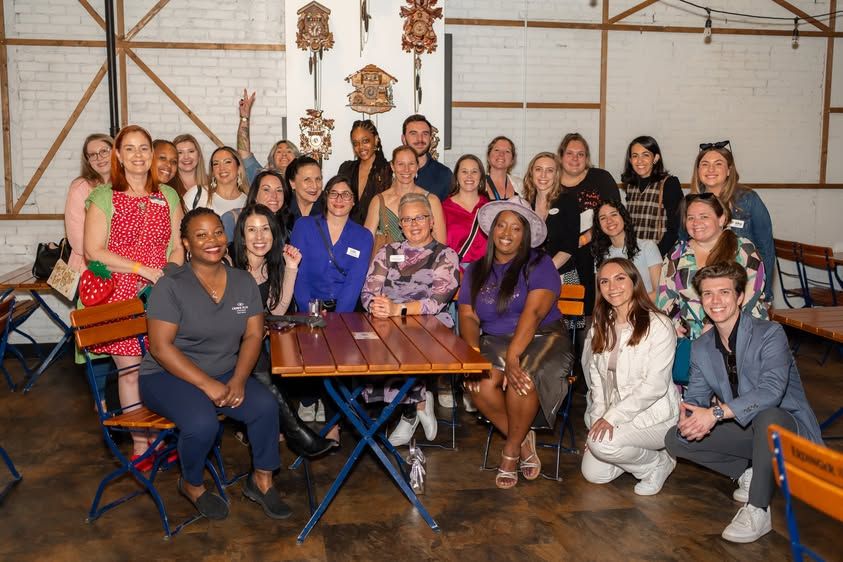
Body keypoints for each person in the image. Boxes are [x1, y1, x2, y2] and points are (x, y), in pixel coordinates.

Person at [139, 207, 290, 521]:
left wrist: (238, 379)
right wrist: (208, 385)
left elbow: (252, 336)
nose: (212, 240)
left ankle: (261, 481)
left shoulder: (243, 281)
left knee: (265, 407)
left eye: (218, 232)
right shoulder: (171, 286)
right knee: (203, 422)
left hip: (223, 370)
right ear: (186, 243)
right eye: (201, 235)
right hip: (167, 375)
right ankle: (191, 483)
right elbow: (160, 348)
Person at [664, 262, 822, 543]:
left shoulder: (770, 333)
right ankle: (753, 471)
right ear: (701, 300)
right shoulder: (701, 347)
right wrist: (688, 416)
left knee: (768, 416)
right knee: (676, 439)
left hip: (788, 428)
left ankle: (758, 509)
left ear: (739, 297)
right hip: (747, 428)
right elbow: (696, 397)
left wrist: (714, 413)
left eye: (724, 292)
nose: (716, 301)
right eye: (708, 294)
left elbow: (772, 391)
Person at [84, 124, 184, 464]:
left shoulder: (168, 196)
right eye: (130, 149)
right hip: (121, 295)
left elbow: (178, 249)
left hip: (161, 293)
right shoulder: (104, 196)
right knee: (130, 370)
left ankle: (162, 436)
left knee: (161, 368)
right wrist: (142, 270)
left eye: (144, 148)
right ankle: (143, 445)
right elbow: (93, 251)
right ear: (118, 155)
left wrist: (168, 275)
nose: (139, 155)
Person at [459, 197, 574, 489]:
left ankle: (510, 451)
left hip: (543, 336)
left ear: (525, 236)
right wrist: (472, 354)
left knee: (523, 377)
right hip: (494, 339)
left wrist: (513, 358)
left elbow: (534, 313)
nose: (506, 233)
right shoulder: (474, 270)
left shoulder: (540, 264)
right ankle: (523, 440)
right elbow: (468, 316)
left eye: (515, 228)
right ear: (492, 230)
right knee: (478, 384)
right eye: (501, 225)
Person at [229, 203, 336, 457]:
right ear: (242, 236)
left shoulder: (269, 266)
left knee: (262, 358)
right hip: (224, 346)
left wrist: (291, 267)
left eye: (265, 229)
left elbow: (276, 312)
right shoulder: (230, 265)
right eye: (251, 230)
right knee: (258, 358)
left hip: (251, 347)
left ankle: (294, 433)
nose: (259, 237)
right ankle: (297, 432)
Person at [361, 193, 459, 445]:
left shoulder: (445, 254)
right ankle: (420, 401)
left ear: (432, 221)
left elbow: (438, 300)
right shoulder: (389, 251)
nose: (414, 224)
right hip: (387, 322)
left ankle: (408, 413)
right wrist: (376, 305)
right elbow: (369, 290)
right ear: (400, 225)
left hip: (430, 325)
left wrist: (398, 309)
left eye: (420, 218)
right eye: (407, 219)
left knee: (403, 348)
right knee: (361, 349)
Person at [581, 258, 680, 495]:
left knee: (601, 444)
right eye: (604, 281)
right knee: (594, 474)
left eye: (619, 278)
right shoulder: (600, 325)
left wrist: (611, 420)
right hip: (617, 415)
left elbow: (654, 387)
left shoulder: (659, 325)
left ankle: (657, 465)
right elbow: (597, 385)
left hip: (655, 417)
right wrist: (597, 422)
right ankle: (635, 454)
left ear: (634, 281)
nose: (612, 287)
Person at [291, 176, 373, 439]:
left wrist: (338, 318)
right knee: (309, 355)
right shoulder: (304, 226)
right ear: (325, 197)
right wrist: (309, 311)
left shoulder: (362, 236)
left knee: (336, 360)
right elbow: (299, 273)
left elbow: (355, 280)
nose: (339, 200)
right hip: (307, 305)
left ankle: (332, 422)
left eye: (346, 194)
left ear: (353, 201)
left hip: (345, 309)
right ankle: (306, 400)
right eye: (334, 193)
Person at [656, 194, 766, 340]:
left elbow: (752, 296)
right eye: (690, 218)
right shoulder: (677, 254)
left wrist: (719, 329)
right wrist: (672, 326)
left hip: (742, 335)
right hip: (691, 339)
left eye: (704, 216)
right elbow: (665, 296)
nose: (696, 222)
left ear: (721, 219)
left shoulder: (743, 249)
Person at [689, 141, 774, 302]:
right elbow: (684, 248)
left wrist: (764, 294)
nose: (711, 169)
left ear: (729, 170)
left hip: (744, 290)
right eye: (705, 164)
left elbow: (766, 251)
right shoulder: (690, 203)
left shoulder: (749, 200)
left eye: (718, 164)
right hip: (702, 293)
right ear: (698, 170)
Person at [557, 133, 621, 328]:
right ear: (561, 156)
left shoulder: (600, 178)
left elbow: (615, 215)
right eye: (570, 153)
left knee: (593, 312)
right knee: (563, 311)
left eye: (580, 154)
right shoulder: (551, 181)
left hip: (594, 253)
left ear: (587, 158)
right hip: (561, 257)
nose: (575, 159)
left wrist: (584, 239)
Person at [523, 152, 581, 329]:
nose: (543, 175)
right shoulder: (525, 203)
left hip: (562, 274)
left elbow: (570, 246)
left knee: (564, 332)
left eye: (549, 170)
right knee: (531, 328)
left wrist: (543, 270)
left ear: (556, 175)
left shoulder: (568, 201)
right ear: (531, 173)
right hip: (529, 278)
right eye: (538, 169)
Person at [364, 145, 446, 245]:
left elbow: (441, 244)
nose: (406, 169)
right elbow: (366, 243)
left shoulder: (432, 200)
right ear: (392, 166)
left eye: (411, 164)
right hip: (387, 260)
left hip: (425, 260)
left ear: (417, 166)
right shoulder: (378, 201)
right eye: (400, 164)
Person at [620, 136, 682, 257]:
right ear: (630, 160)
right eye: (635, 156)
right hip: (636, 256)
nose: (639, 160)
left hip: (661, 254)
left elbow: (675, 228)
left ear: (656, 158)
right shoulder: (630, 186)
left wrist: (655, 255)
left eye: (645, 155)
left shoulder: (669, 184)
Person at [591, 200, 662, 301]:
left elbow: (659, 293)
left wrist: (629, 307)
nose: (609, 220)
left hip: (645, 311)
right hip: (614, 314)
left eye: (614, 215)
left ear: (623, 218)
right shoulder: (601, 255)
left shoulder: (648, 247)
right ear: (599, 226)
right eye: (603, 218)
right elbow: (599, 299)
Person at [65, 133, 112, 272]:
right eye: (92, 154)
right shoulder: (80, 187)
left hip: (124, 266)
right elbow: (77, 240)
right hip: (88, 268)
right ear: (88, 160)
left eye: (104, 151)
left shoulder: (128, 185)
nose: (99, 158)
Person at [236, 89, 300, 184]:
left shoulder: (304, 182)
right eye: (278, 151)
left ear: (297, 158)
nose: (284, 154)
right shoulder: (260, 178)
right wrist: (244, 118)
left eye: (289, 151)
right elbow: (243, 153)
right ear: (272, 159)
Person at [337, 119, 392, 224]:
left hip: (376, 236)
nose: (361, 147)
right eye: (355, 143)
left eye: (365, 141)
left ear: (376, 140)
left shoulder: (388, 171)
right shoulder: (346, 169)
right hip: (347, 233)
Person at [442, 154, 490, 266]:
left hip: (486, 272)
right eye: (464, 171)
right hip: (455, 273)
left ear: (481, 177)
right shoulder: (443, 208)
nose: (469, 176)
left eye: (474, 172)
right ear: (457, 176)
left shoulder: (490, 208)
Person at [220, 169, 291, 242]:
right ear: (255, 195)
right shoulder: (232, 219)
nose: (274, 195)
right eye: (266, 189)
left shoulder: (287, 224)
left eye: (279, 190)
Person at [183, 146, 248, 216]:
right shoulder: (197, 193)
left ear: (238, 168)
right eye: (216, 164)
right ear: (213, 171)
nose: (221, 168)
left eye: (227, 162)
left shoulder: (248, 202)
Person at [400, 114, 452, 201]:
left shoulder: (444, 174)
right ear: (404, 139)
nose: (420, 139)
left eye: (425, 134)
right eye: (413, 134)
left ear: (431, 138)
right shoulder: (389, 172)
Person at [286, 155, 324, 227]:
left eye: (318, 179)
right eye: (307, 180)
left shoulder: (330, 208)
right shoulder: (283, 208)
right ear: (292, 183)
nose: (315, 186)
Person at [485, 136, 522, 200]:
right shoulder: (478, 184)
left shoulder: (520, 185)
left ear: (512, 160)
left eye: (507, 151)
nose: (501, 154)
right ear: (488, 156)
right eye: (497, 150)